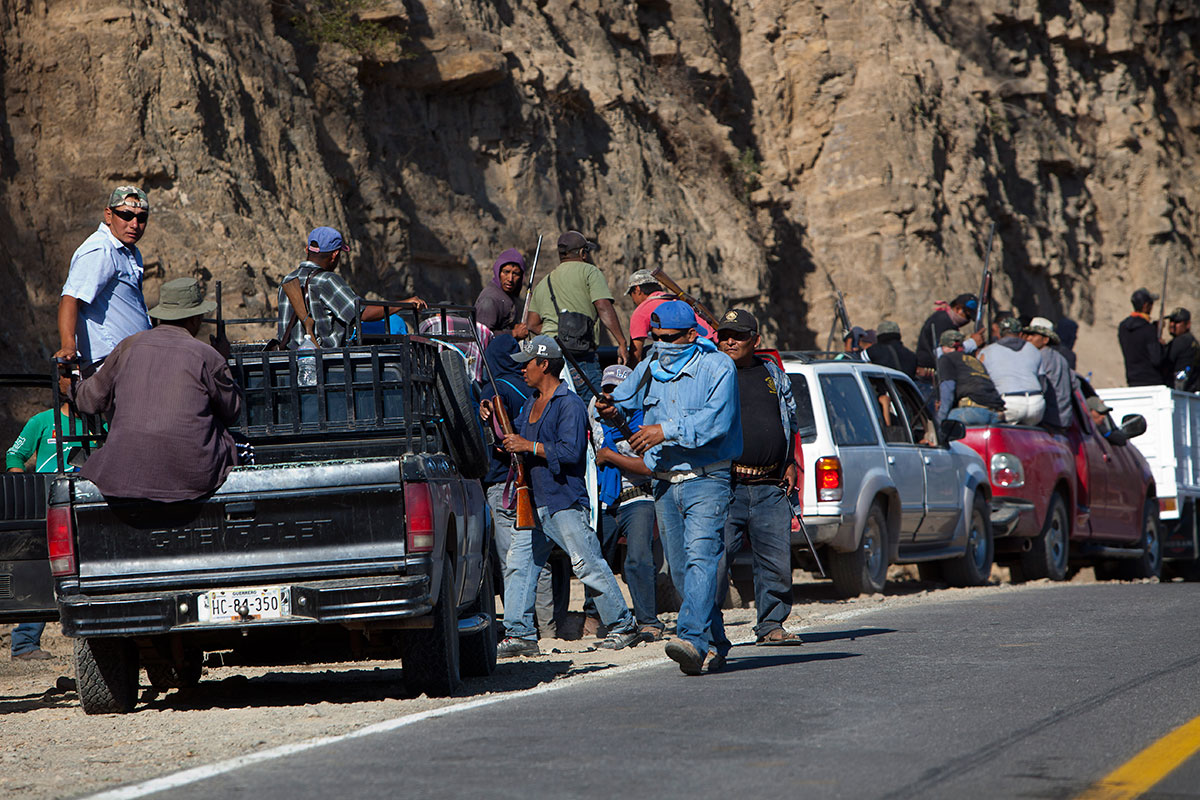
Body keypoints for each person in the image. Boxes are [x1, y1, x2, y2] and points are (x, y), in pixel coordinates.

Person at [598, 301, 742, 675]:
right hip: (663, 483)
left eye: (670, 338)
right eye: (656, 337)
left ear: (691, 335)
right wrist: (610, 409)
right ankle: (716, 643)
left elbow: (717, 422)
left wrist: (665, 430)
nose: (661, 344)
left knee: (701, 559)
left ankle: (691, 639)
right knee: (682, 572)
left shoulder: (718, 367)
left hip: (706, 480)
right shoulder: (650, 364)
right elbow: (624, 401)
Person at [483, 335, 640, 657]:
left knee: (588, 565)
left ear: (544, 365)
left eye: (527, 363)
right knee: (518, 567)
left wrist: (528, 446)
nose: (522, 369)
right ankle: (519, 633)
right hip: (533, 502)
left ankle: (624, 625)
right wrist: (495, 422)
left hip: (563, 501)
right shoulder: (530, 402)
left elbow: (571, 452)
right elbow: (517, 443)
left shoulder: (569, 404)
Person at [70, 278, 241, 502]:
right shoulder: (207, 355)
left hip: (123, 473)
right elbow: (231, 411)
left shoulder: (127, 347)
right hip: (192, 476)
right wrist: (222, 360)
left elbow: (90, 400)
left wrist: (72, 388)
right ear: (195, 318)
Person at [715, 309, 801, 645]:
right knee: (715, 560)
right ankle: (707, 629)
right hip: (726, 486)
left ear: (756, 341)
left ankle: (771, 625)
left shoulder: (773, 374)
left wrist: (789, 462)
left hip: (770, 485)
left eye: (737, 336)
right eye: (724, 335)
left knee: (775, 561)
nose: (729, 342)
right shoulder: (712, 373)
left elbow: (790, 419)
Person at [478, 334, 569, 639]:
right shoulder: (532, 391)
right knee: (536, 561)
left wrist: (485, 406)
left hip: (504, 486)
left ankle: (521, 629)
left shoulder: (496, 387)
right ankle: (548, 628)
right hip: (533, 482)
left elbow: (498, 429)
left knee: (514, 563)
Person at [4, 401, 95, 661]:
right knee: (45, 571)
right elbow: (15, 455)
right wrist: (24, 492)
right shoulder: (42, 421)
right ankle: (24, 643)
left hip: (88, 505)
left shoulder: (100, 424)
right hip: (50, 509)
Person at [585, 364, 664, 642]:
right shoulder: (593, 412)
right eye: (607, 390)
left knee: (638, 560)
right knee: (596, 560)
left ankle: (648, 621)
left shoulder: (646, 418)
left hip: (638, 496)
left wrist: (611, 456)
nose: (611, 396)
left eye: (618, 391)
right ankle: (594, 617)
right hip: (604, 501)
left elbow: (648, 466)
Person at [55, 185, 153, 371]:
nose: (134, 224)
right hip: (110, 364)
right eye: (126, 215)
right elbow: (71, 298)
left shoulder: (129, 251)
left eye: (141, 218)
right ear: (109, 215)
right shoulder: (101, 249)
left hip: (132, 362)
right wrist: (68, 346)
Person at [277, 226, 424, 349]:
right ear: (334, 255)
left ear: (307, 249)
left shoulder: (287, 281)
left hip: (289, 357)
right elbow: (361, 314)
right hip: (323, 360)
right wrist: (403, 304)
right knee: (395, 323)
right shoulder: (327, 280)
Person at [525, 231, 629, 388]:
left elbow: (532, 324)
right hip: (580, 357)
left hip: (549, 358)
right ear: (582, 253)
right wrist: (621, 342)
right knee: (591, 401)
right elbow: (603, 306)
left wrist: (557, 335)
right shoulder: (590, 272)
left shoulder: (544, 282)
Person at [626, 270, 713, 363]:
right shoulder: (677, 300)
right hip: (710, 345)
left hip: (693, 350)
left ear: (637, 290)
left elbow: (636, 355)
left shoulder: (642, 311)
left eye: (631, 294)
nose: (633, 300)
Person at [979, 316, 1045, 425]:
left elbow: (981, 383)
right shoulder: (1034, 350)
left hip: (1009, 402)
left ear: (999, 334)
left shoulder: (986, 352)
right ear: (1020, 334)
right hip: (1036, 403)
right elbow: (1043, 382)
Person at [935, 330, 1005, 426]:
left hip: (973, 411)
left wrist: (939, 420)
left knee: (945, 426)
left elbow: (948, 390)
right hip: (996, 413)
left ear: (944, 347)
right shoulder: (974, 361)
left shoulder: (946, 359)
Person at [914, 293, 982, 382]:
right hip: (928, 376)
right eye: (967, 316)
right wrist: (972, 343)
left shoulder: (947, 321)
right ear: (958, 308)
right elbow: (944, 352)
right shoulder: (942, 321)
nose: (967, 320)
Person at [1023, 317, 1075, 432]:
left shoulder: (1039, 357)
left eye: (1034, 335)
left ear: (1045, 340)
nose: (1029, 338)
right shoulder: (1061, 359)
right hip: (1062, 420)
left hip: (1048, 420)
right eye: (1029, 335)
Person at [474, 248, 529, 339]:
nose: (510, 279)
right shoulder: (489, 300)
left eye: (515, 274)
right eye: (506, 272)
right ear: (498, 272)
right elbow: (482, 336)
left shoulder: (507, 295)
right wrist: (513, 333)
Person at [1118, 287, 1165, 387]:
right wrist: (1160, 342)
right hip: (1151, 381)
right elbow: (1156, 359)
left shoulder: (1123, 327)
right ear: (1145, 306)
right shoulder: (1149, 329)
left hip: (1132, 379)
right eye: (1151, 304)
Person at [1163, 308, 1200, 391]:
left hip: (1181, 388)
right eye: (1171, 321)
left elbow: (1164, 361)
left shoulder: (1182, 340)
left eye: (1177, 322)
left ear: (1188, 325)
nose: (1172, 325)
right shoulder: (1191, 340)